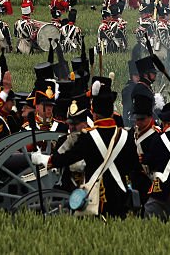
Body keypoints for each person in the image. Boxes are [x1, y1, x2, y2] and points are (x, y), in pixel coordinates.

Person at [48, 90, 147, 218]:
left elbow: (69, 157)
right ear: (112, 113)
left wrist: (49, 161)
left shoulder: (87, 137)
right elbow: (133, 166)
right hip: (120, 196)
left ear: (94, 114)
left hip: (94, 197)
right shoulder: (126, 136)